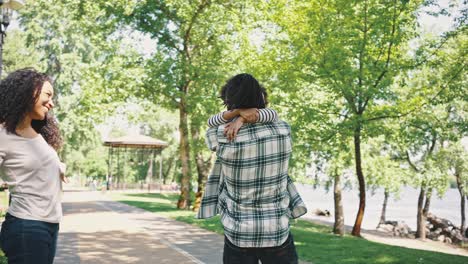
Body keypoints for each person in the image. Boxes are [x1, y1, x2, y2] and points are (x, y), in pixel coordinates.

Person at [197, 73, 307, 264]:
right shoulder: (283, 130)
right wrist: (247, 116)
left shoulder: (221, 135)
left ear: (228, 101)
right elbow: (274, 114)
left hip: (239, 233)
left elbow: (210, 122)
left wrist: (237, 116)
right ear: (261, 99)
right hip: (276, 231)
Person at [0, 68, 66, 264]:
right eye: (48, 95)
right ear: (28, 92)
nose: (51, 103)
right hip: (27, 227)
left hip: (50, 225)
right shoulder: (3, 134)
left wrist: (58, 167)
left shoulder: (38, 135)